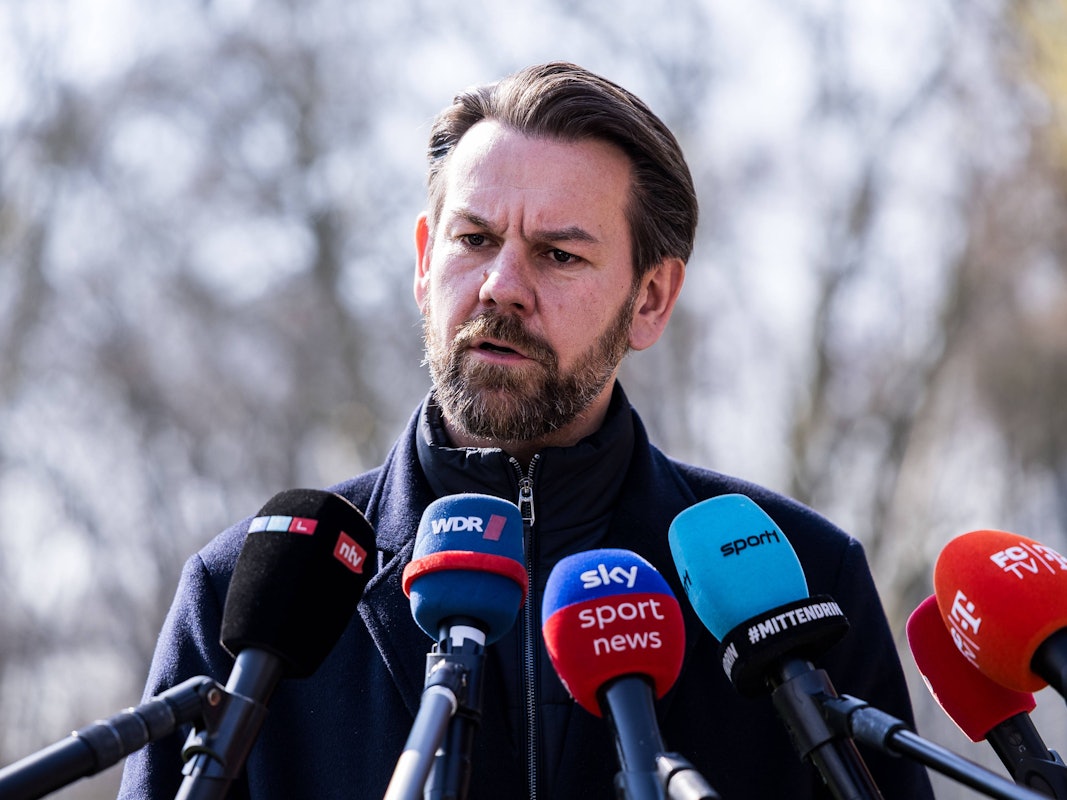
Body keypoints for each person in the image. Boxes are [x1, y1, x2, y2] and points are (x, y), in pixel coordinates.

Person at [118, 62, 934, 799]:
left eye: (558, 255)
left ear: (649, 299)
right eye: (473, 240)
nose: (501, 287)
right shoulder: (248, 596)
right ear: (422, 260)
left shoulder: (801, 579)